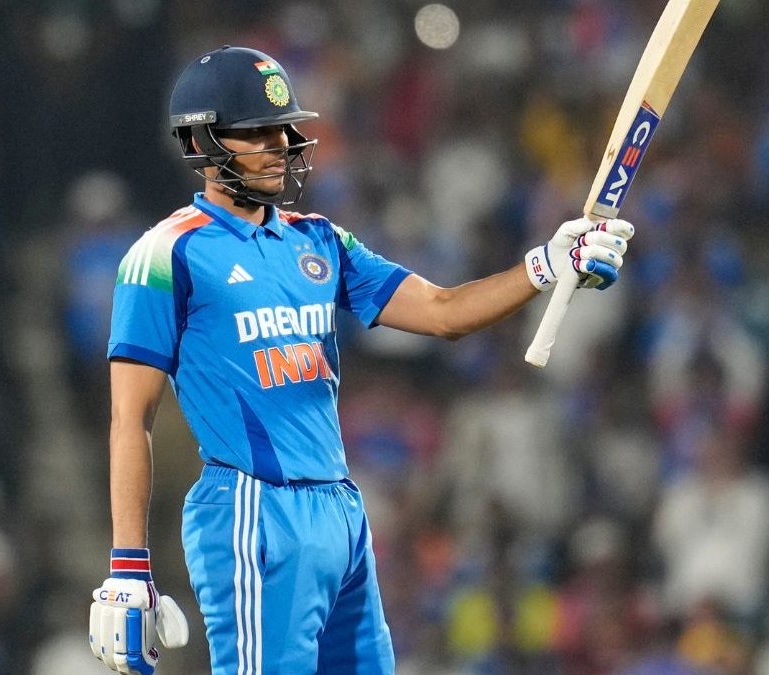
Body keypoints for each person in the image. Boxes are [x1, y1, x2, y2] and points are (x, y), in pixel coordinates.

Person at [88, 45, 634, 675]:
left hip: (341, 510)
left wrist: (547, 265)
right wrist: (127, 566)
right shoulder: (163, 254)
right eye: (256, 132)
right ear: (201, 141)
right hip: (252, 509)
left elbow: (443, 311)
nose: (280, 145)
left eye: (282, 128)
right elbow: (130, 418)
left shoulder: (319, 238)